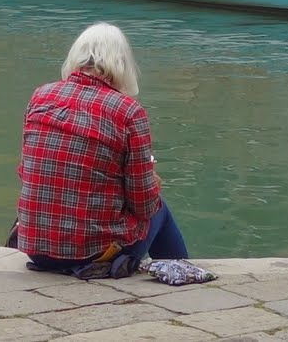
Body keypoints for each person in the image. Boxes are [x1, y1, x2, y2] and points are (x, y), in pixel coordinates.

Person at [14, 23, 188, 274]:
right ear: (123, 64)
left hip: (36, 248)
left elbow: (25, 171)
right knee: (159, 208)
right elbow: (144, 205)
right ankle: (181, 275)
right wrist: (152, 180)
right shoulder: (128, 111)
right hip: (94, 254)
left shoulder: (40, 96)